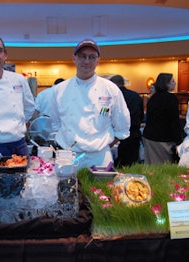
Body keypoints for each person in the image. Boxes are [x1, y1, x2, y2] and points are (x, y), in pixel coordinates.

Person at [50, 39, 130, 168]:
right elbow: (56, 123)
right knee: (67, 187)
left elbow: (122, 127)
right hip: (68, 155)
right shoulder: (60, 90)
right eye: (82, 56)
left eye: (92, 57)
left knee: (102, 188)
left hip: (100, 156)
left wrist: (102, 146)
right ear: (74, 59)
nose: (87, 61)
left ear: (98, 60)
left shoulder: (110, 89)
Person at [142, 73, 183, 165]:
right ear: (166, 83)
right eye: (172, 81)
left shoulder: (153, 99)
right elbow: (174, 121)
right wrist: (178, 140)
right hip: (163, 139)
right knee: (164, 167)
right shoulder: (171, 98)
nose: (175, 83)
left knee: (150, 166)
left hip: (149, 137)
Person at [110, 75, 144, 167]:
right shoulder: (135, 96)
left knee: (115, 165)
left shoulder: (112, 97)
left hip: (115, 137)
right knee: (131, 165)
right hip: (133, 134)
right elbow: (141, 115)